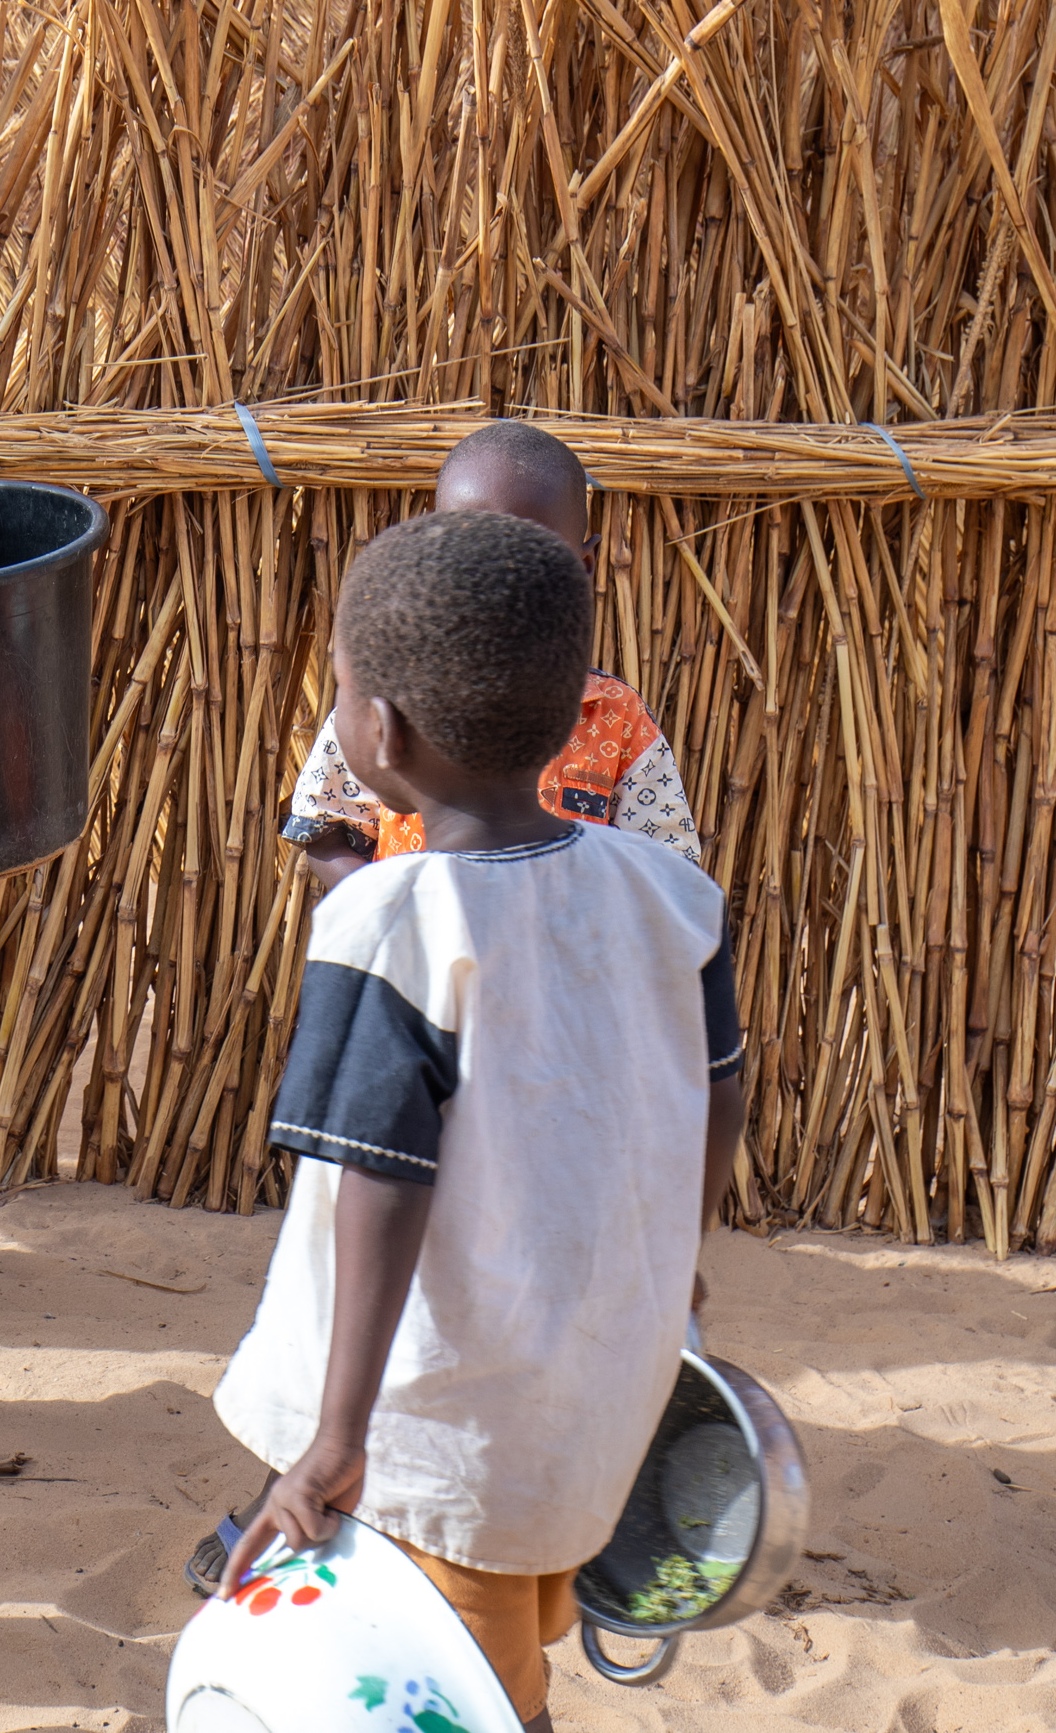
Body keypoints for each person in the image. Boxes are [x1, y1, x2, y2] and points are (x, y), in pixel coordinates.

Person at [212, 509, 746, 1731]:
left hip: (429, 1430)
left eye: (342, 688)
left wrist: (336, 1438)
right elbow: (718, 1089)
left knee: (458, 1698)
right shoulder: (672, 898)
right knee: (502, 1657)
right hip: (593, 1395)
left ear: (375, 732)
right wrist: (680, 1268)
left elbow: (381, 1179)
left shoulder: (388, 922)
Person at [281, 419, 702, 892]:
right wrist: (393, 915)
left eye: (528, 555)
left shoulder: (615, 718)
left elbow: (667, 868)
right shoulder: (390, 694)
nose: (494, 579)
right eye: (468, 548)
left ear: (581, 567)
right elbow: (323, 827)